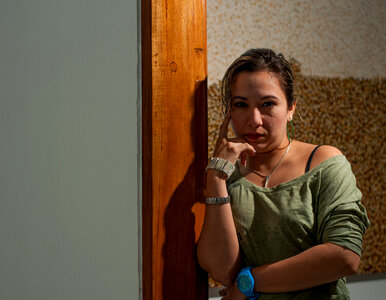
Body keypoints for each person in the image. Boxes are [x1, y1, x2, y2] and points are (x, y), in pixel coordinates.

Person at [197, 48, 370, 299]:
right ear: (229, 113)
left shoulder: (323, 162)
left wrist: (250, 280)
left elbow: (344, 256)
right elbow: (223, 270)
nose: (254, 119)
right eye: (240, 105)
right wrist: (216, 177)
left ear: (291, 108)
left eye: (267, 104)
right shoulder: (225, 175)